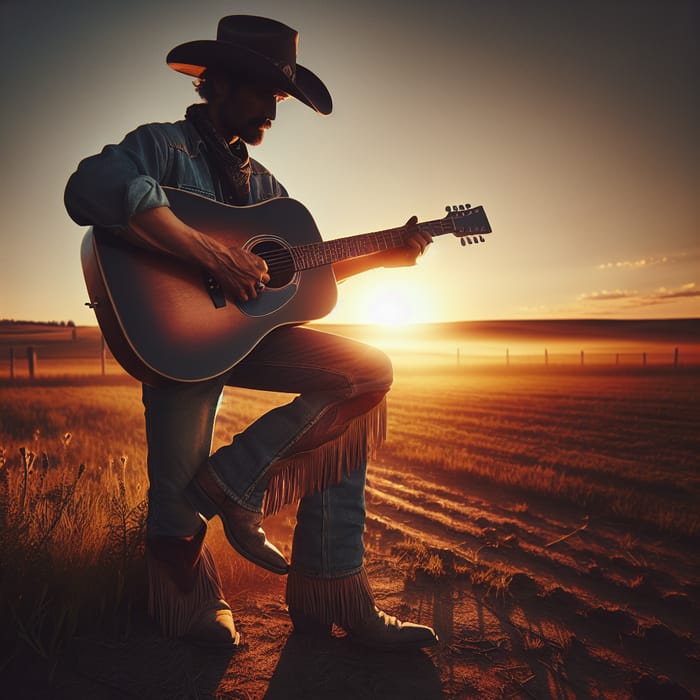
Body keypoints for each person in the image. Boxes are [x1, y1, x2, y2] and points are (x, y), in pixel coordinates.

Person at [64, 15, 437, 650]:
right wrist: (209, 256)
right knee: (175, 511)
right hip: (175, 340)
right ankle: (190, 600)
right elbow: (90, 188)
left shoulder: (269, 191)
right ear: (226, 83)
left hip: (255, 338)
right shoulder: (161, 146)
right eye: (269, 94)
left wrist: (385, 253)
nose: (275, 110)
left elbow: (302, 272)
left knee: (366, 373)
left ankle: (326, 580)